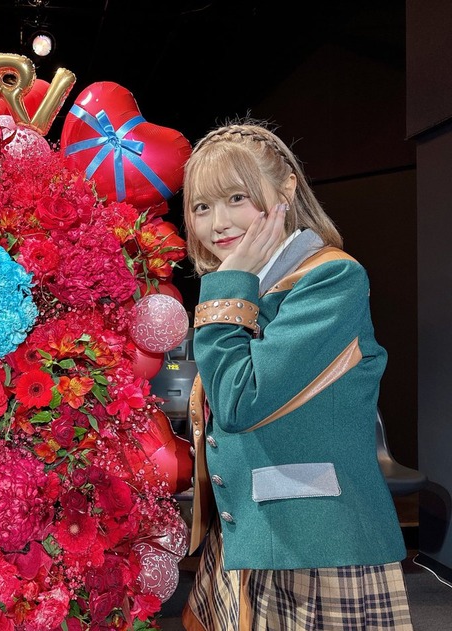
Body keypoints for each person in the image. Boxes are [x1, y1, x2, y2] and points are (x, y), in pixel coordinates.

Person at [179, 118, 413, 630]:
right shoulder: (250, 286)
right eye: (201, 207)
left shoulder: (331, 278)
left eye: (236, 198)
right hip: (252, 533)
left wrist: (226, 288)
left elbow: (240, 403)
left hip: (315, 543)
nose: (218, 223)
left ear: (285, 190)